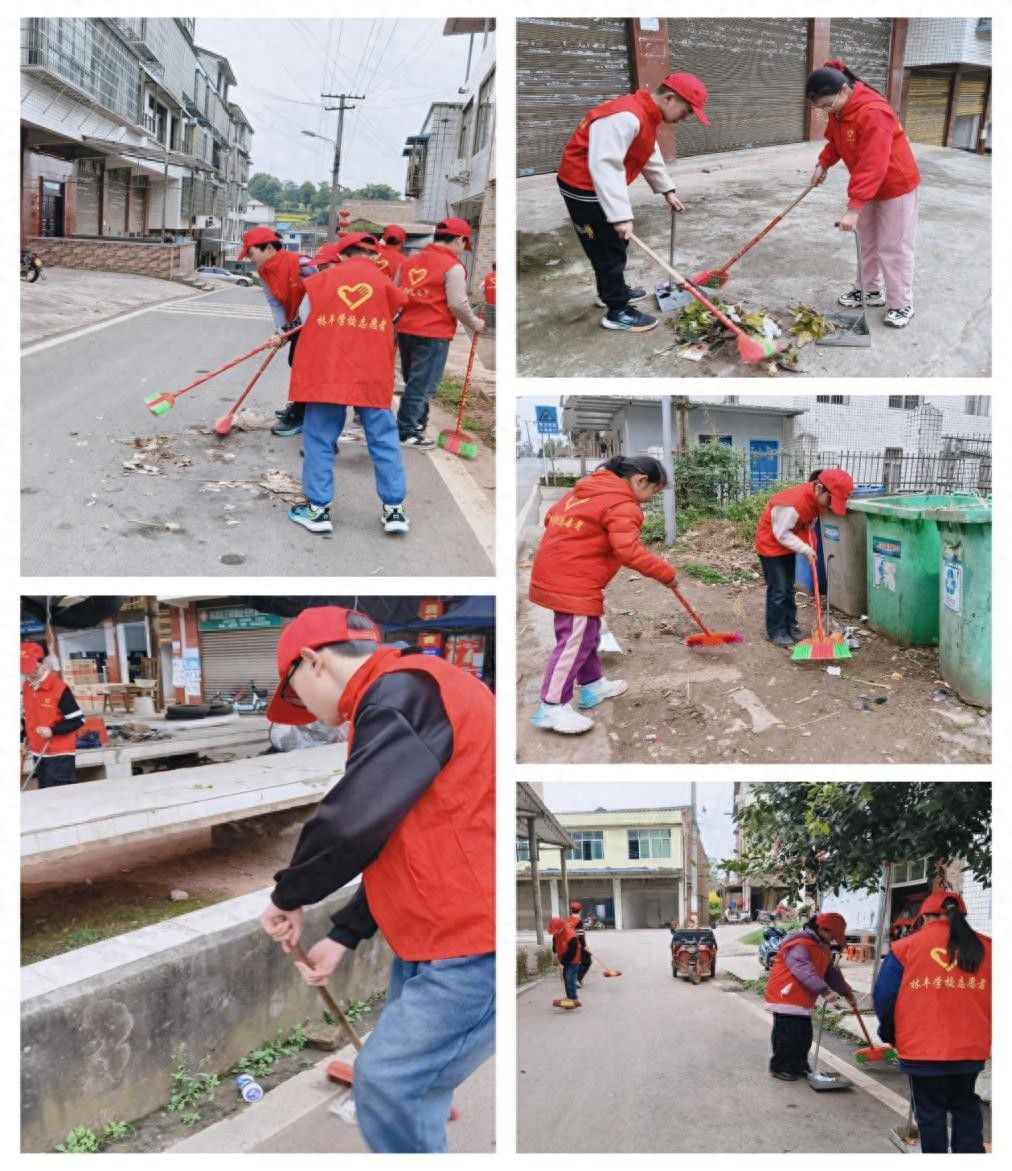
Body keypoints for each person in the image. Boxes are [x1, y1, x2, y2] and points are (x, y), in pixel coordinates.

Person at [258, 605, 494, 1153]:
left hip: (467, 943)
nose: (311, 715)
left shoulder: (402, 692)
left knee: (386, 1081)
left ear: (312, 662)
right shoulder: (411, 692)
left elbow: (352, 820)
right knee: (423, 1085)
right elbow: (404, 837)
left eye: (293, 695)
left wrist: (289, 895)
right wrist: (343, 936)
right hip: (435, 938)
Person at [528, 454, 678, 734]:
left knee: (587, 635)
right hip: (573, 582)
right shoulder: (623, 504)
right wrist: (666, 574)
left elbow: (551, 518)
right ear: (640, 480)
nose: (650, 498)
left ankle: (593, 685)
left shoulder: (582, 491)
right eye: (653, 492)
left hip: (561, 572)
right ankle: (551, 706)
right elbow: (629, 551)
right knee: (572, 642)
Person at [556, 73, 710, 333]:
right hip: (584, 187)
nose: (687, 118)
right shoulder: (626, 116)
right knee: (607, 250)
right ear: (670, 98)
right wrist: (620, 216)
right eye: (686, 111)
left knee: (615, 245)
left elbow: (647, 152)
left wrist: (667, 190)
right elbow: (606, 166)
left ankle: (612, 290)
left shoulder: (645, 115)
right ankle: (616, 310)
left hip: (596, 186)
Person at [285, 232, 411, 537]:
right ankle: (394, 511)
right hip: (372, 373)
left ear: (341, 255)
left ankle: (318, 511)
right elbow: (394, 318)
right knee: (382, 439)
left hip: (329, 372)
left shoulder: (320, 282)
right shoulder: (387, 286)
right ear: (374, 256)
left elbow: (304, 319)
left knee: (319, 438)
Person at [807, 59, 921, 329]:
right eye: (819, 108)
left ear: (845, 90)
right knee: (867, 241)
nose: (825, 111)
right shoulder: (839, 112)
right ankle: (869, 290)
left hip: (896, 186)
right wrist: (822, 164)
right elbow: (835, 141)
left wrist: (854, 207)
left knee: (893, 246)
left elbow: (874, 163)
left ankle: (901, 303)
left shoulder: (873, 113)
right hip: (868, 185)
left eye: (826, 105)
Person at [873, 891, 991, 1153]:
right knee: (965, 1105)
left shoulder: (905, 948)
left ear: (924, 916)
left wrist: (890, 1031)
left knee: (930, 1113)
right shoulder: (989, 949)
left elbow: (884, 996)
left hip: (921, 1049)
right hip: (969, 1049)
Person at [395, 217, 485, 449]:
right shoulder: (453, 267)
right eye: (463, 245)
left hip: (406, 329)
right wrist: (475, 323)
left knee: (414, 380)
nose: (462, 250)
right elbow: (457, 303)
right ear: (459, 240)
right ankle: (405, 431)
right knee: (422, 384)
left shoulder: (409, 262)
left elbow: (395, 294)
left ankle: (417, 423)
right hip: (433, 333)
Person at [754, 469, 855, 648]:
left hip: (786, 545)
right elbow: (781, 534)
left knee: (789, 589)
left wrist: (811, 546)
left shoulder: (817, 499)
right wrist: (805, 549)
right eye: (831, 500)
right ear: (819, 488)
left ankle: (790, 625)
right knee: (779, 590)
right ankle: (776, 631)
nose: (831, 506)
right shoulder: (792, 504)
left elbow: (806, 524)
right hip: (771, 545)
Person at [237, 226, 318, 436]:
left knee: (303, 365)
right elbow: (275, 303)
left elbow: (318, 297)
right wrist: (281, 329)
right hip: (296, 322)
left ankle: (302, 415)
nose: (249, 258)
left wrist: (288, 330)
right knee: (296, 362)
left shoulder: (302, 265)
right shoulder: (264, 272)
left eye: (251, 252)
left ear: (269, 248)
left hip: (317, 322)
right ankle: (301, 407)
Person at [765, 912, 856, 1080]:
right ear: (821, 929)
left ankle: (799, 1064)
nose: (832, 939)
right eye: (832, 935)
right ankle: (780, 1066)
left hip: (802, 1000)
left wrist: (846, 992)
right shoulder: (799, 944)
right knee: (787, 1036)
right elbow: (804, 971)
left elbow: (830, 973)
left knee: (804, 1036)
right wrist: (825, 991)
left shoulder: (823, 948)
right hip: (786, 996)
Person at [21, 643, 85, 788]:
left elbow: (78, 720)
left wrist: (53, 730)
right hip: (39, 751)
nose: (30, 674)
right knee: (45, 791)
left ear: (43, 663)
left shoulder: (59, 688)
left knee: (61, 795)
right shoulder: (27, 687)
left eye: (33, 669)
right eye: (26, 671)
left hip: (59, 753)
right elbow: (29, 716)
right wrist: (25, 739)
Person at [548, 914, 583, 1007]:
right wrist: (554, 950)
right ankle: (569, 997)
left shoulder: (571, 935)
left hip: (573, 959)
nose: (554, 933)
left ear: (561, 927)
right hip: (564, 958)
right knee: (566, 977)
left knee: (569, 977)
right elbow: (555, 941)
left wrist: (564, 962)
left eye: (556, 931)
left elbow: (572, 951)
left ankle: (573, 998)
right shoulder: (557, 933)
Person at [570, 901, 593, 986]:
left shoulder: (569, 920)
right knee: (587, 962)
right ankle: (577, 979)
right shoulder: (578, 921)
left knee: (575, 963)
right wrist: (584, 946)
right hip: (578, 945)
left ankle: (575, 979)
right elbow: (579, 935)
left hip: (570, 945)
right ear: (580, 910)